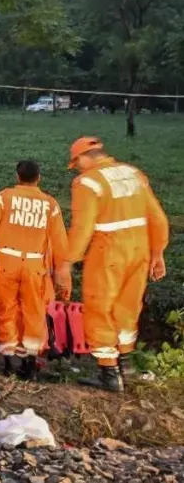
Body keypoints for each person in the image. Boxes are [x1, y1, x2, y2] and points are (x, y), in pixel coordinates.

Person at [65, 136, 169, 392]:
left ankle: (108, 373)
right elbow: (157, 216)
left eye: (75, 162)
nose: (76, 167)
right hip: (140, 250)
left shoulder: (87, 182)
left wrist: (66, 261)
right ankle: (127, 366)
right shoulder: (133, 173)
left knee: (99, 307)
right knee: (127, 308)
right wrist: (158, 252)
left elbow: (82, 228)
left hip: (108, 252)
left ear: (83, 158)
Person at [0, 160, 70, 380]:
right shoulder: (50, 204)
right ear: (39, 178)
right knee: (34, 313)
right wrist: (62, 276)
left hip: (7, 263)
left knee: (6, 310)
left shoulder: (4, 197)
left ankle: (8, 365)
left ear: (18, 177)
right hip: (35, 266)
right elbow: (60, 243)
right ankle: (29, 367)